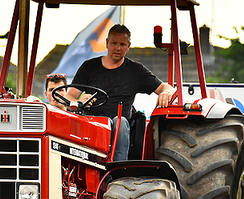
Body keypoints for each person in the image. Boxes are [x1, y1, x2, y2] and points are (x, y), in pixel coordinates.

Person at [64, 24, 174, 161]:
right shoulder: (89, 67)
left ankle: (117, 170)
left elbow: (165, 87)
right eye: (114, 43)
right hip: (91, 122)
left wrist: (167, 93)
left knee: (120, 122)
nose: (118, 48)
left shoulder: (135, 71)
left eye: (122, 44)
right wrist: (80, 100)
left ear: (128, 46)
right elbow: (70, 96)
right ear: (107, 43)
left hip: (118, 126)